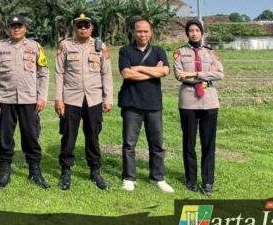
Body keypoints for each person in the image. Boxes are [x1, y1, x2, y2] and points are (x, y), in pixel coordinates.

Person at [0, 15, 50, 189]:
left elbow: (43, 73)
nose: (16, 29)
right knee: (5, 137)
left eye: (19, 26)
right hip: (5, 100)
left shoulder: (35, 47)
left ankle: (35, 172)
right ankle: (4, 173)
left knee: (31, 137)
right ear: (8, 29)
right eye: (13, 26)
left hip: (29, 100)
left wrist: (42, 96)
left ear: (25, 28)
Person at [55, 13, 113, 191]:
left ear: (91, 28)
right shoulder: (65, 45)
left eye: (86, 26)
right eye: (79, 26)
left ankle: (95, 171)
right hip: (71, 99)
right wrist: (58, 99)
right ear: (74, 28)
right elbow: (59, 73)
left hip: (93, 99)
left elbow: (106, 74)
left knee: (93, 135)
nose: (83, 29)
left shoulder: (100, 46)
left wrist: (108, 98)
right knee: (68, 136)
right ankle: (66, 170)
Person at [118, 16, 174, 193]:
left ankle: (158, 178)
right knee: (129, 143)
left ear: (151, 33)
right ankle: (129, 178)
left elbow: (165, 71)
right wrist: (153, 71)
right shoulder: (125, 51)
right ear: (133, 33)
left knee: (157, 144)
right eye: (139, 31)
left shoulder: (158, 51)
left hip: (153, 104)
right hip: (131, 103)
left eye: (145, 31)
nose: (142, 34)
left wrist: (139, 68)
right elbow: (127, 74)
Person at [173, 19, 224, 195]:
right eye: (191, 30)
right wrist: (205, 74)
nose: (194, 33)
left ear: (202, 32)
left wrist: (195, 73)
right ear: (187, 33)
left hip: (209, 100)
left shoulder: (211, 52)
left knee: (208, 143)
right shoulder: (180, 52)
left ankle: (208, 181)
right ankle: (191, 179)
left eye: (197, 30)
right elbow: (179, 75)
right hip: (188, 100)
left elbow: (219, 73)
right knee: (189, 142)